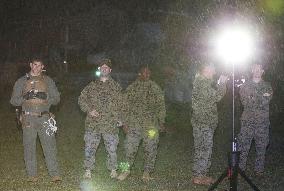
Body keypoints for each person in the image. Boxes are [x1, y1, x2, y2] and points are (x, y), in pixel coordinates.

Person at [10, 56, 61, 182]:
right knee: (29, 147)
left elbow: (57, 99)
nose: (36, 67)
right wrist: (25, 97)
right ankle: (32, 175)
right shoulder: (21, 81)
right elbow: (13, 101)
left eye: (39, 65)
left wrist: (46, 96)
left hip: (44, 117)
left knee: (50, 146)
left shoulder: (48, 80)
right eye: (34, 64)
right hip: (28, 119)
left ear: (43, 67)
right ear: (30, 65)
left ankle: (54, 174)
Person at [117, 66, 166, 181]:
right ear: (139, 74)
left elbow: (161, 106)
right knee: (128, 149)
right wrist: (124, 123)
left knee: (151, 149)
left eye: (149, 73)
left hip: (151, 126)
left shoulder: (155, 88)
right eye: (144, 72)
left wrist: (162, 121)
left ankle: (147, 172)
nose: (147, 74)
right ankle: (125, 170)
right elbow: (124, 106)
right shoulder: (132, 88)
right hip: (134, 125)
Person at [78, 59, 123, 179]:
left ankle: (113, 169)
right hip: (93, 124)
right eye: (102, 67)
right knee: (90, 148)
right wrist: (89, 110)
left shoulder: (116, 87)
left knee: (112, 149)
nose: (104, 69)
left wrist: (121, 118)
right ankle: (88, 170)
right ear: (99, 69)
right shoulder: (91, 86)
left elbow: (122, 104)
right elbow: (81, 99)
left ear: (110, 70)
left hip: (110, 124)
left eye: (106, 67)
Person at [191, 64, 227, 185]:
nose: (214, 72)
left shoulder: (200, 82)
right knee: (204, 149)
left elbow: (209, 96)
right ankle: (199, 176)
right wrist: (222, 84)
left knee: (201, 148)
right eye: (213, 70)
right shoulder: (203, 83)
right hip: (204, 122)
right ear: (206, 70)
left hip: (202, 122)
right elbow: (216, 96)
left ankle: (201, 175)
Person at [238, 63, 273, 175]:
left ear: (263, 71)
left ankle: (259, 170)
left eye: (259, 69)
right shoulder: (245, 86)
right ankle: (241, 169)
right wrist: (261, 97)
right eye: (255, 69)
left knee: (261, 147)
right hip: (247, 122)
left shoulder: (267, 86)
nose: (257, 71)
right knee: (243, 146)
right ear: (251, 70)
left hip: (262, 123)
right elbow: (245, 102)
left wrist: (252, 97)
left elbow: (266, 101)